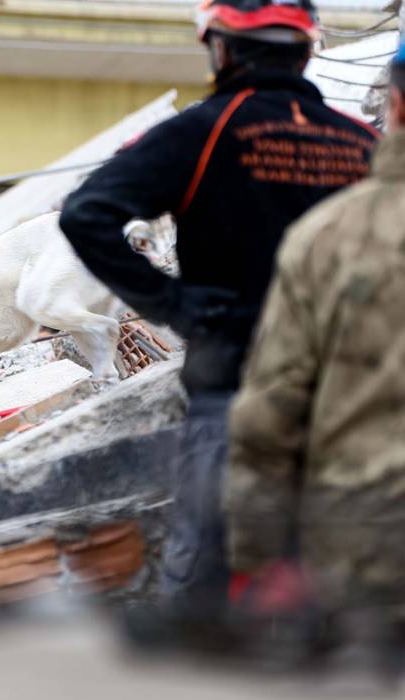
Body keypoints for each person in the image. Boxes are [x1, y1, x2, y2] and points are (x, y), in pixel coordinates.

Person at [58, 0, 379, 615]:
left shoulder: (204, 131)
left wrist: (173, 303)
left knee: (205, 598)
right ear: (307, 50)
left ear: (221, 50)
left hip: (233, 396)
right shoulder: (362, 143)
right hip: (347, 413)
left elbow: (85, 213)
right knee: (326, 605)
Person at [223, 42, 405, 627]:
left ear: (395, 107)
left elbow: (270, 415)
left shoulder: (329, 236)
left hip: (369, 550)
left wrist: (258, 556)